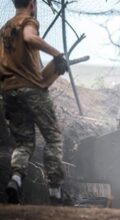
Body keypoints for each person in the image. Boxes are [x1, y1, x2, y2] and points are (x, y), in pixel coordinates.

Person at [0, 0, 68, 204]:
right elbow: (30, 38)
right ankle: (55, 190)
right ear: (32, 3)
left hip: (9, 91)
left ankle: (16, 178)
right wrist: (56, 54)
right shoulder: (27, 21)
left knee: (24, 143)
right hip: (31, 90)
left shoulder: (4, 29)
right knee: (53, 138)